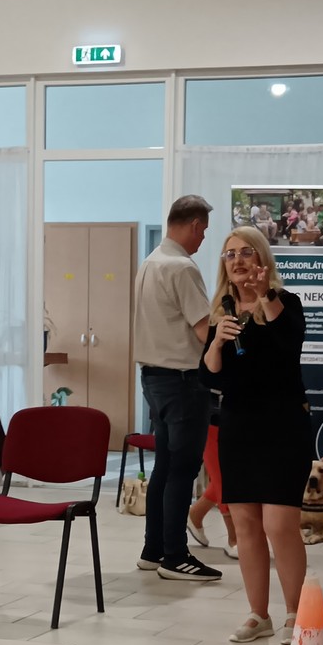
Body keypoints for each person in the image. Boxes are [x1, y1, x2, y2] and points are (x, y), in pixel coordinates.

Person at [202, 226, 310, 643]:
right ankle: (258, 614)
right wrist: (215, 345)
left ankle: (295, 613)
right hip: (238, 427)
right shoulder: (222, 313)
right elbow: (210, 378)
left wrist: (265, 296)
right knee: (245, 524)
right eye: (230, 254)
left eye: (247, 252)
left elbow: (289, 346)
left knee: (279, 524)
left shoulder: (285, 302)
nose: (238, 260)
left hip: (283, 424)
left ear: (262, 259)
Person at [132, 196, 222, 582]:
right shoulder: (182, 267)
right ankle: (175, 556)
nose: (203, 239)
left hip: (154, 379)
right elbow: (204, 332)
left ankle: (153, 550)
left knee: (165, 468)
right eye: (204, 231)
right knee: (182, 470)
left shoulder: (150, 262)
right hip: (183, 382)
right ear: (195, 225)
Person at [186, 427, 237, 560]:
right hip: (214, 422)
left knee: (225, 475)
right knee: (223, 476)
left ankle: (196, 513)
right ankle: (234, 538)